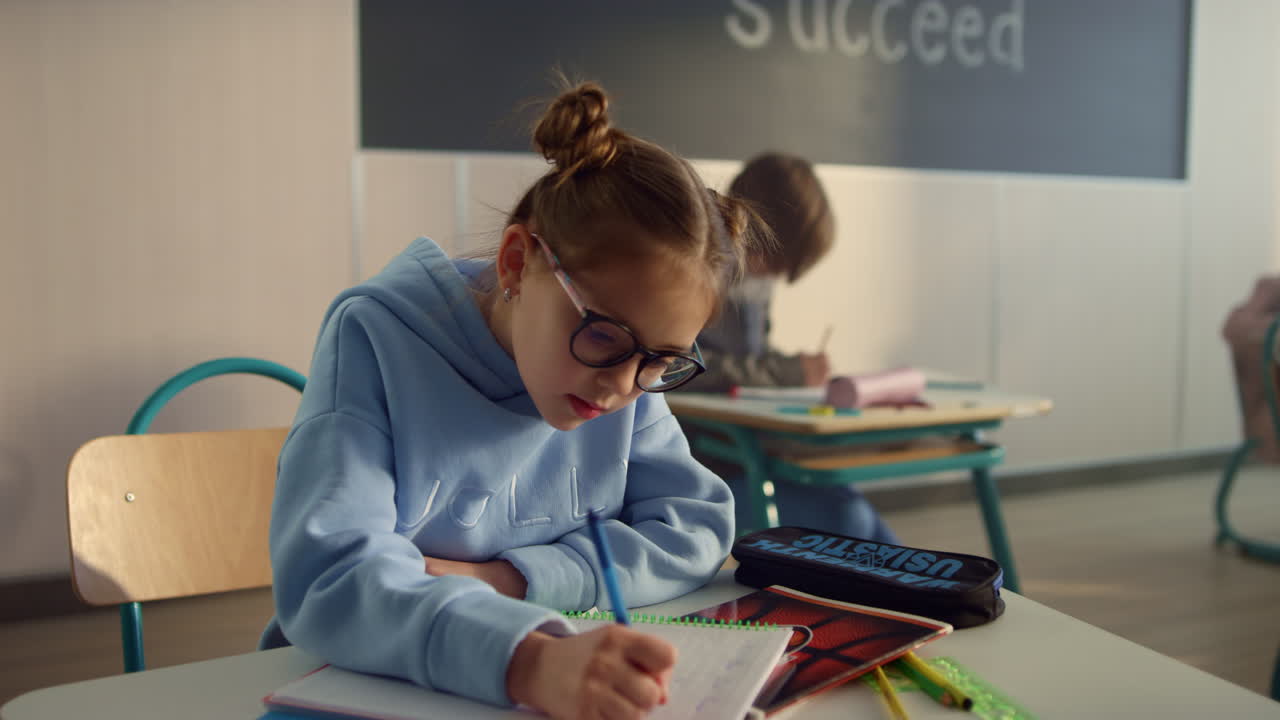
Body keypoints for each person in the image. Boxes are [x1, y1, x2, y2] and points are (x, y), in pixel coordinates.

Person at [258, 81, 769, 720]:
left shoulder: (623, 376)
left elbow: (695, 524)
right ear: (515, 262)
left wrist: (516, 581)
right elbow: (330, 579)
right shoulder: (377, 339)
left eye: (662, 361)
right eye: (603, 332)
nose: (620, 387)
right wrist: (526, 660)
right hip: (358, 683)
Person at [680, 152, 899, 544]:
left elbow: (753, 357)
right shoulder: (695, 266)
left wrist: (794, 365)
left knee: (847, 499)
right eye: (777, 260)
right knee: (848, 516)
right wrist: (790, 372)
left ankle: (925, 599)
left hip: (745, 452)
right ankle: (915, 597)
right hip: (703, 464)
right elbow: (677, 367)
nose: (774, 274)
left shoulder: (754, 282)